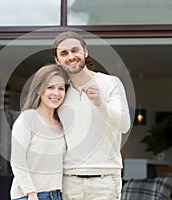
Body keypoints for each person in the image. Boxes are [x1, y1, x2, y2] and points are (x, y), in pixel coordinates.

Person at [52, 31, 131, 199]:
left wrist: (100, 104)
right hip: (69, 180)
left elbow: (124, 125)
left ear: (85, 52)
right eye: (64, 53)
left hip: (105, 180)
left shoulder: (110, 83)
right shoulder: (60, 92)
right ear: (57, 60)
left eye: (75, 50)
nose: (71, 56)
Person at [10, 64, 69, 200]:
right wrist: (31, 194)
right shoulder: (28, 118)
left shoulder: (62, 124)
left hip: (56, 195)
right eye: (50, 87)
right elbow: (18, 161)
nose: (56, 93)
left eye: (61, 88)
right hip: (29, 195)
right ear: (39, 90)